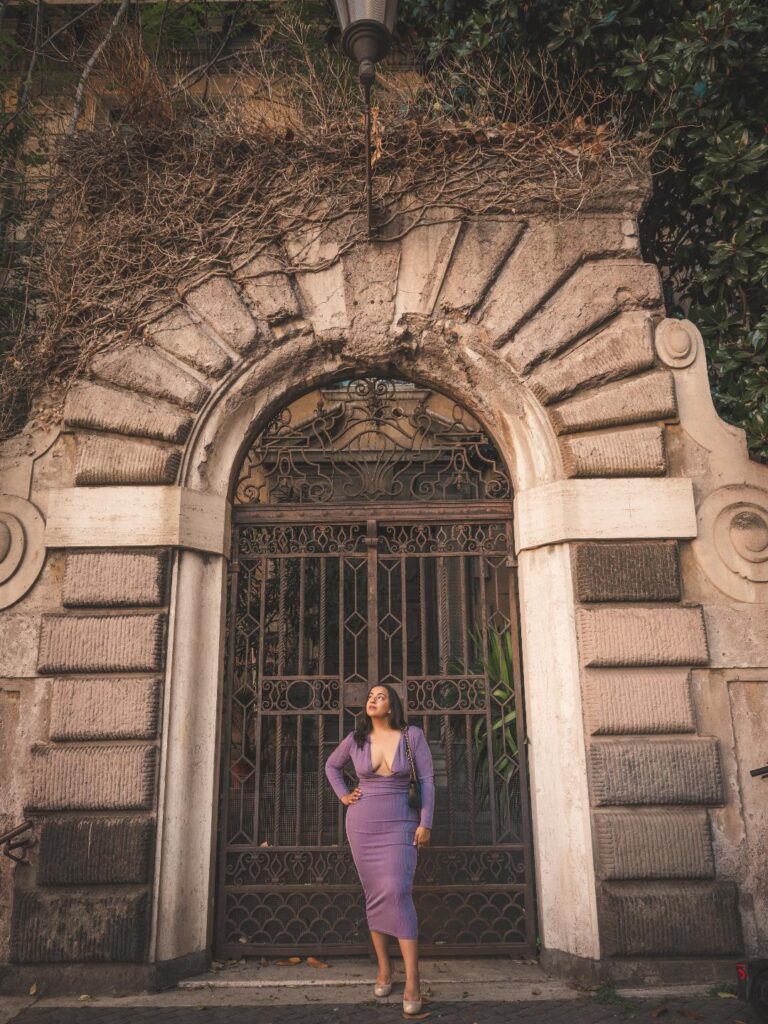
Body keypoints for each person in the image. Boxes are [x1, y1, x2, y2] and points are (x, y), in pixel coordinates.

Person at [324, 684, 435, 1016]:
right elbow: (331, 766)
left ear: (392, 705)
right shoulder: (356, 738)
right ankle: (385, 969)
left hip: (402, 822)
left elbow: (428, 779)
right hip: (362, 825)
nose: (372, 699)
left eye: (380, 696)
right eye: (370, 696)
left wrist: (425, 822)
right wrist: (344, 795)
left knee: (397, 890)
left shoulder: (411, 736)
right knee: (375, 893)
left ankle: (413, 979)